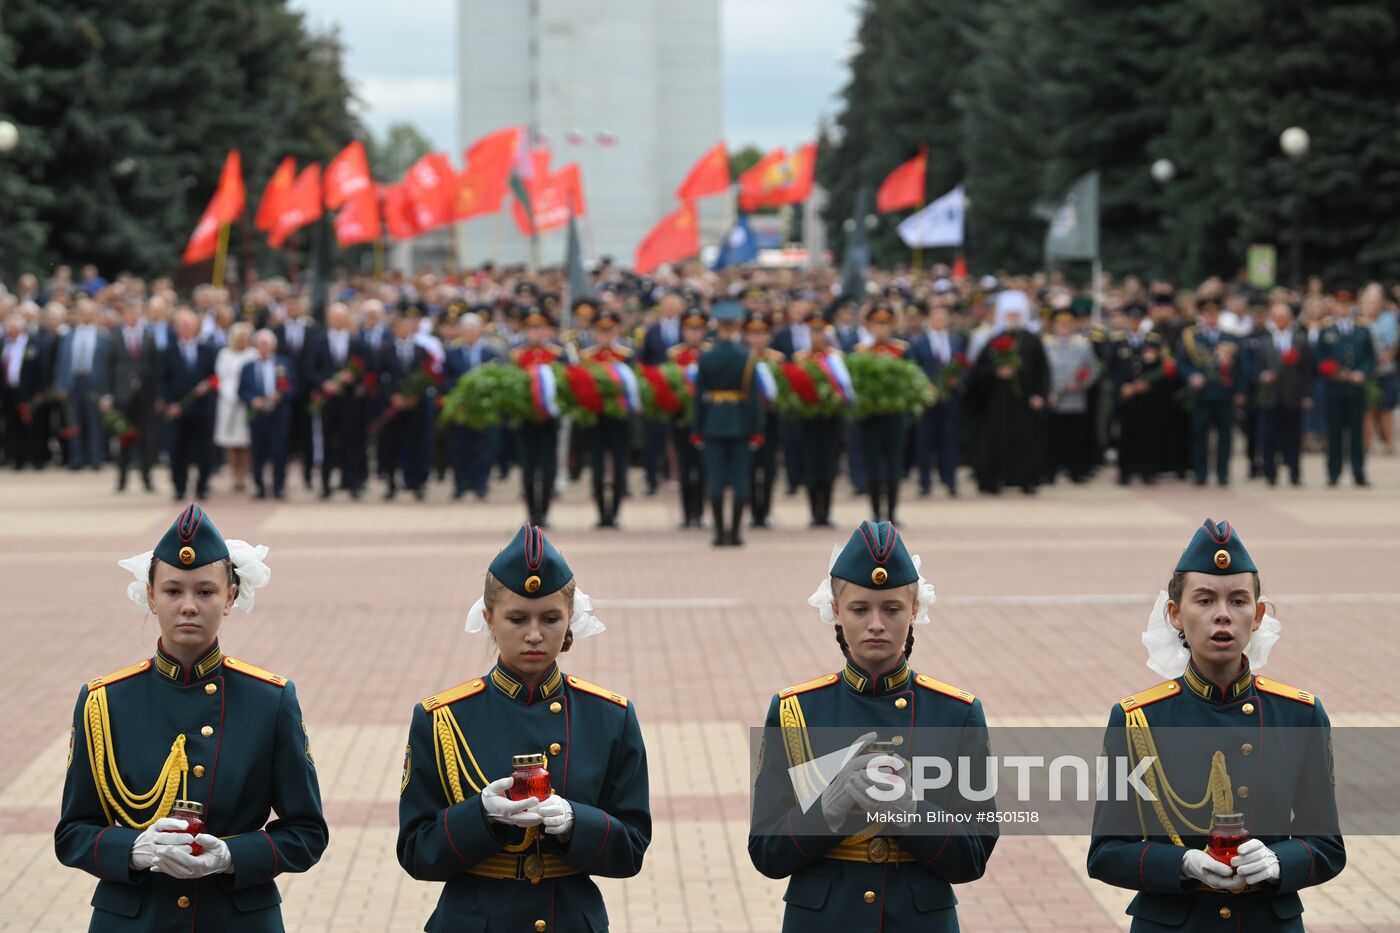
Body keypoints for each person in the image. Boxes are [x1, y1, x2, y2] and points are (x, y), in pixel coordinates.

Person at [56, 503, 327, 930]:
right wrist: (134, 849)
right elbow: (72, 833)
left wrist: (232, 856)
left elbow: (307, 833)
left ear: (230, 598)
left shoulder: (269, 699)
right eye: (172, 591)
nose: (188, 606)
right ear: (149, 595)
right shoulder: (104, 700)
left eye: (205, 591)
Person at [1088, 519, 1344, 930]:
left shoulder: (1299, 715)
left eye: (1239, 601)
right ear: (1175, 614)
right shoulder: (1138, 720)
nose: (1222, 615)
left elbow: (1328, 846)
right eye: (1204, 601)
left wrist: (1281, 861)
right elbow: (1105, 853)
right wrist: (1182, 863)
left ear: (1258, 615)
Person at [397, 524, 650, 933]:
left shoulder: (609, 715)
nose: (534, 634)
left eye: (550, 618)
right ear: (489, 619)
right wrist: (479, 816)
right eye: (517, 618)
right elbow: (415, 853)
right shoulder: (442, 717)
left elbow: (632, 850)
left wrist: (575, 821)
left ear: (570, 621)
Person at [748, 520, 997, 931]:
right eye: (860, 609)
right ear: (835, 612)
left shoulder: (957, 713)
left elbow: (972, 857)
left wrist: (912, 813)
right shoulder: (796, 712)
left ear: (914, 610)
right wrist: (827, 810)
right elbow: (766, 852)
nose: (876, 623)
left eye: (892, 608)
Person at [691, 300, 764, 546]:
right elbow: (754, 398)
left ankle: (720, 533)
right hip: (741, 422)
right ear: (735, 326)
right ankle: (735, 533)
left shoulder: (707, 356)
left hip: (712, 421)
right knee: (741, 479)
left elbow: (699, 396)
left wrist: (696, 429)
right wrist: (757, 430)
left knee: (716, 479)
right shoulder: (747, 356)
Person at [968, 290, 1049, 495]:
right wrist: (997, 372)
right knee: (996, 440)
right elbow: (978, 372)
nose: (1013, 318)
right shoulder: (994, 340)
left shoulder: (1032, 340)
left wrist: (1040, 394)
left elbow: (1043, 371)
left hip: (1024, 401)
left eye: (1016, 314)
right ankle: (993, 480)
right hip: (998, 402)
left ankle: (1025, 480)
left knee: (1026, 441)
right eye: (1009, 314)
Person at [852, 302, 911, 523]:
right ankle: (876, 512)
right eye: (877, 323)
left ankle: (893, 512)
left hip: (894, 416)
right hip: (869, 418)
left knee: (894, 464)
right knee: (873, 465)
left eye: (885, 323)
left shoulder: (901, 350)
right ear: (868, 325)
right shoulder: (860, 352)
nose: (881, 328)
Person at [307, 302, 372, 500]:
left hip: (349, 400)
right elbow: (310, 368)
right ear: (329, 318)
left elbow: (366, 368)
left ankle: (352, 483)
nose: (337, 320)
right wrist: (324, 383)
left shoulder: (356, 342)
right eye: (334, 316)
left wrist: (352, 378)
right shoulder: (318, 341)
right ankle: (326, 484)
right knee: (326, 441)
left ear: (346, 319)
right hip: (327, 400)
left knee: (350, 441)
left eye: (341, 316)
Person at [579, 309, 636, 528]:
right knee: (597, 468)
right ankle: (602, 513)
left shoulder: (626, 355)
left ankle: (616, 512)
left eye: (609, 330)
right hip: (595, 419)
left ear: (617, 330)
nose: (605, 335)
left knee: (620, 466)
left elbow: (633, 388)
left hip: (620, 420)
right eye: (601, 331)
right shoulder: (586, 356)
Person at [1177, 298, 1242, 487]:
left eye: (1214, 314)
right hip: (1202, 395)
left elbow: (1240, 367)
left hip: (1224, 394)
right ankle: (1200, 473)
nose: (1211, 317)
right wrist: (1191, 377)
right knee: (1199, 436)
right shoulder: (1193, 338)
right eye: (1207, 314)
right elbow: (1182, 363)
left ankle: (1223, 473)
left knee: (1225, 437)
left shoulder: (1230, 338)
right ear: (1202, 316)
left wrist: (1240, 391)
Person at [793, 320, 851, 527]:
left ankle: (826, 511)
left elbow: (845, 389)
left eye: (821, 332)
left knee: (828, 465)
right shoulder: (801, 358)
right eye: (813, 332)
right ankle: (814, 512)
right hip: (808, 421)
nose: (817, 337)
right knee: (811, 465)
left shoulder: (835, 358)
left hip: (831, 421)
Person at [1316, 284, 1375, 487]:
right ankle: (1334, 473)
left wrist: (1362, 373)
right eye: (1340, 303)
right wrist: (1334, 372)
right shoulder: (1326, 330)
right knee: (1334, 432)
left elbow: (1370, 357)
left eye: (1347, 303)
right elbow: (1320, 358)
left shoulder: (1362, 328)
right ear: (1334, 304)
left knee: (1357, 433)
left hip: (1356, 388)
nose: (1343, 307)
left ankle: (1359, 472)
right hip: (1335, 389)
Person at [511, 310, 565, 525]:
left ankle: (545, 512)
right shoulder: (517, 355)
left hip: (549, 420)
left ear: (548, 331)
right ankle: (532, 513)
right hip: (526, 420)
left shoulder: (557, 354)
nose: (536, 332)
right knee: (528, 468)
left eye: (540, 328)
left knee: (548, 467)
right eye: (532, 328)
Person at [103, 299, 162, 492]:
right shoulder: (115, 337)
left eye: (136, 313)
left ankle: (147, 477)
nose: (133, 317)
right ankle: (122, 479)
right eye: (130, 313)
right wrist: (108, 394)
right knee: (123, 437)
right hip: (122, 395)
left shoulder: (148, 336)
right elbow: (108, 368)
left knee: (146, 438)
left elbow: (155, 367)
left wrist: (157, 395)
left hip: (144, 395)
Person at [907, 303, 966, 498]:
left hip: (950, 399)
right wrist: (925, 386)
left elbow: (964, 367)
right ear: (930, 320)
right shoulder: (919, 343)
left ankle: (950, 480)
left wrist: (957, 380)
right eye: (936, 317)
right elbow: (913, 369)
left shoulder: (956, 341)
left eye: (943, 317)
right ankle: (925, 482)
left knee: (949, 440)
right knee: (924, 441)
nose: (940, 321)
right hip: (928, 400)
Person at [160, 309, 217, 501]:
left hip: (202, 410)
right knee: (178, 451)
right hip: (178, 410)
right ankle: (179, 487)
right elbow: (162, 381)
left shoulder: (207, 350)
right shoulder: (168, 352)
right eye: (182, 326)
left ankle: (202, 486)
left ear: (196, 328)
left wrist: (209, 385)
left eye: (189, 326)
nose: (186, 329)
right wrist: (170, 404)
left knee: (204, 451)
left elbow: (216, 376)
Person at [444, 311, 501, 500]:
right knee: (460, 448)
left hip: (483, 410)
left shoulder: (490, 352)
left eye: (473, 330)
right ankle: (460, 484)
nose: (469, 334)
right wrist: (456, 400)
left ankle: (480, 484)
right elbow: (446, 380)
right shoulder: (452, 353)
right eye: (466, 330)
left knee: (483, 448)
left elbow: (497, 379)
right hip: (460, 408)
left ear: (480, 331)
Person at [1108, 306, 1167, 486]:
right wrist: (1122, 386)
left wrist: (1147, 382)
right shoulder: (1117, 340)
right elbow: (1111, 368)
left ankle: (1147, 470)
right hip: (1125, 395)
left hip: (1146, 395)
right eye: (1131, 318)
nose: (1134, 321)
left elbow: (1161, 366)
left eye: (1138, 318)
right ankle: (1125, 470)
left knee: (1147, 433)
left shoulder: (1153, 340)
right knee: (1125, 433)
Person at [1255, 303, 1313, 486]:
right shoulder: (1264, 341)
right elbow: (1256, 369)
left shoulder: (1300, 340)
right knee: (1269, 437)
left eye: (1283, 317)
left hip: (1293, 397)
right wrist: (1264, 377)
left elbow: (1307, 371)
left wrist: (1307, 395)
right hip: (1271, 397)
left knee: (1293, 437)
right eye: (1277, 317)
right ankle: (1270, 474)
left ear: (1290, 319)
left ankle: (1294, 473)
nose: (1280, 321)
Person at [378, 310, 432, 501]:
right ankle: (391, 484)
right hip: (393, 406)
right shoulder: (386, 350)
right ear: (394, 330)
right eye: (400, 327)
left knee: (416, 445)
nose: (404, 330)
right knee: (391, 445)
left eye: (407, 327)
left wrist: (414, 396)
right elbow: (380, 377)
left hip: (415, 406)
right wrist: (393, 396)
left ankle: (417, 484)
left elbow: (427, 376)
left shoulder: (421, 350)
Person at [1043, 310, 1101, 484]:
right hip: (1054, 397)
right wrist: (1047, 391)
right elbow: (1042, 371)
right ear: (1054, 326)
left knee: (1075, 438)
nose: (1064, 328)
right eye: (1060, 324)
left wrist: (1081, 384)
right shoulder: (1046, 344)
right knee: (1052, 438)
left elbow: (1094, 368)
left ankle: (1076, 471)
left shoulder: (1082, 344)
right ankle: (1050, 472)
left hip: (1075, 397)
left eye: (1067, 324)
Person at [238, 330, 296, 500]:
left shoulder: (284, 363)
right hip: (257, 416)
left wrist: (281, 395)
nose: (263, 348)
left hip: (278, 414)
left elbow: (293, 387)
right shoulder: (248, 366)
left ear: (273, 346)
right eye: (260, 344)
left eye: (267, 344)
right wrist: (252, 400)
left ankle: (279, 486)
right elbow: (242, 390)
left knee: (279, 451)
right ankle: (259, 486)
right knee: (258, 453)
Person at [54, 298, 111, 470]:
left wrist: (106, 391)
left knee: (94, 422)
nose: (86, 315)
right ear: (77, 314)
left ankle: (95, 457)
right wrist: (60, 384)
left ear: (94, 314)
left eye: (90, 312)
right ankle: (76, 457)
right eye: (83, 312)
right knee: (73, 422)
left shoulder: (103, 337)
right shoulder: (67, 336)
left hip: (94, 384)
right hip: (73, 383)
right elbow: (61, 362)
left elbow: (107, 366)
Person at [668, 307, 709, 529]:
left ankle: (700, 512)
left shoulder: (709, 354)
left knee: (702, 468)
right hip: (681, 419)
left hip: (704, 420)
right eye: (689, 329)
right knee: (684, 467)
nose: (694, 334)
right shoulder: (674, 355)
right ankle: (686, 513)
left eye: (698, 329)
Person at [742, 311, 784, 529]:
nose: (757, 338)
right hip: (747, 421)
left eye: (761, 333)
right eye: (752, 333)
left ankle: (765, 511)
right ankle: (753, 512)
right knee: (749, 467)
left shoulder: (776, 359)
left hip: (770, 421)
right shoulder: (742, 359)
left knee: (768, 467)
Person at [273, 297, 319, 491]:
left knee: (307, 436)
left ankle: (308, 476)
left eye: (296, 305)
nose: (292, 308)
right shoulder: (276, 332)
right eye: (289, 305)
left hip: (307, 393)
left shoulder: (313, 332)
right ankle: (280, 481)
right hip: (282, 395)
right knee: (283, 437)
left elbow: (317, 361)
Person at [213, 322, 257, 493]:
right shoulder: (224, 354)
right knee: (231, 442)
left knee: (245, 441)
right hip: (228, 401)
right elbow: (220, 377)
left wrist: (245, 395)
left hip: (246, 401)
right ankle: (234, 475)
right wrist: (232, 395)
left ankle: (244, 475)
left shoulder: (252, 354)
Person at [1, 311, 41, 470]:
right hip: (8, 391)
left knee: (30, 425)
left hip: (28, 392)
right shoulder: (4, 344)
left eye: (10, 328)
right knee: (11, 426)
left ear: (19, 329)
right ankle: (17, 458)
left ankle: (34, 457)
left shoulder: (33, 343)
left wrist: (38, 391)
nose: (7, 331)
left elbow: (40, 370)